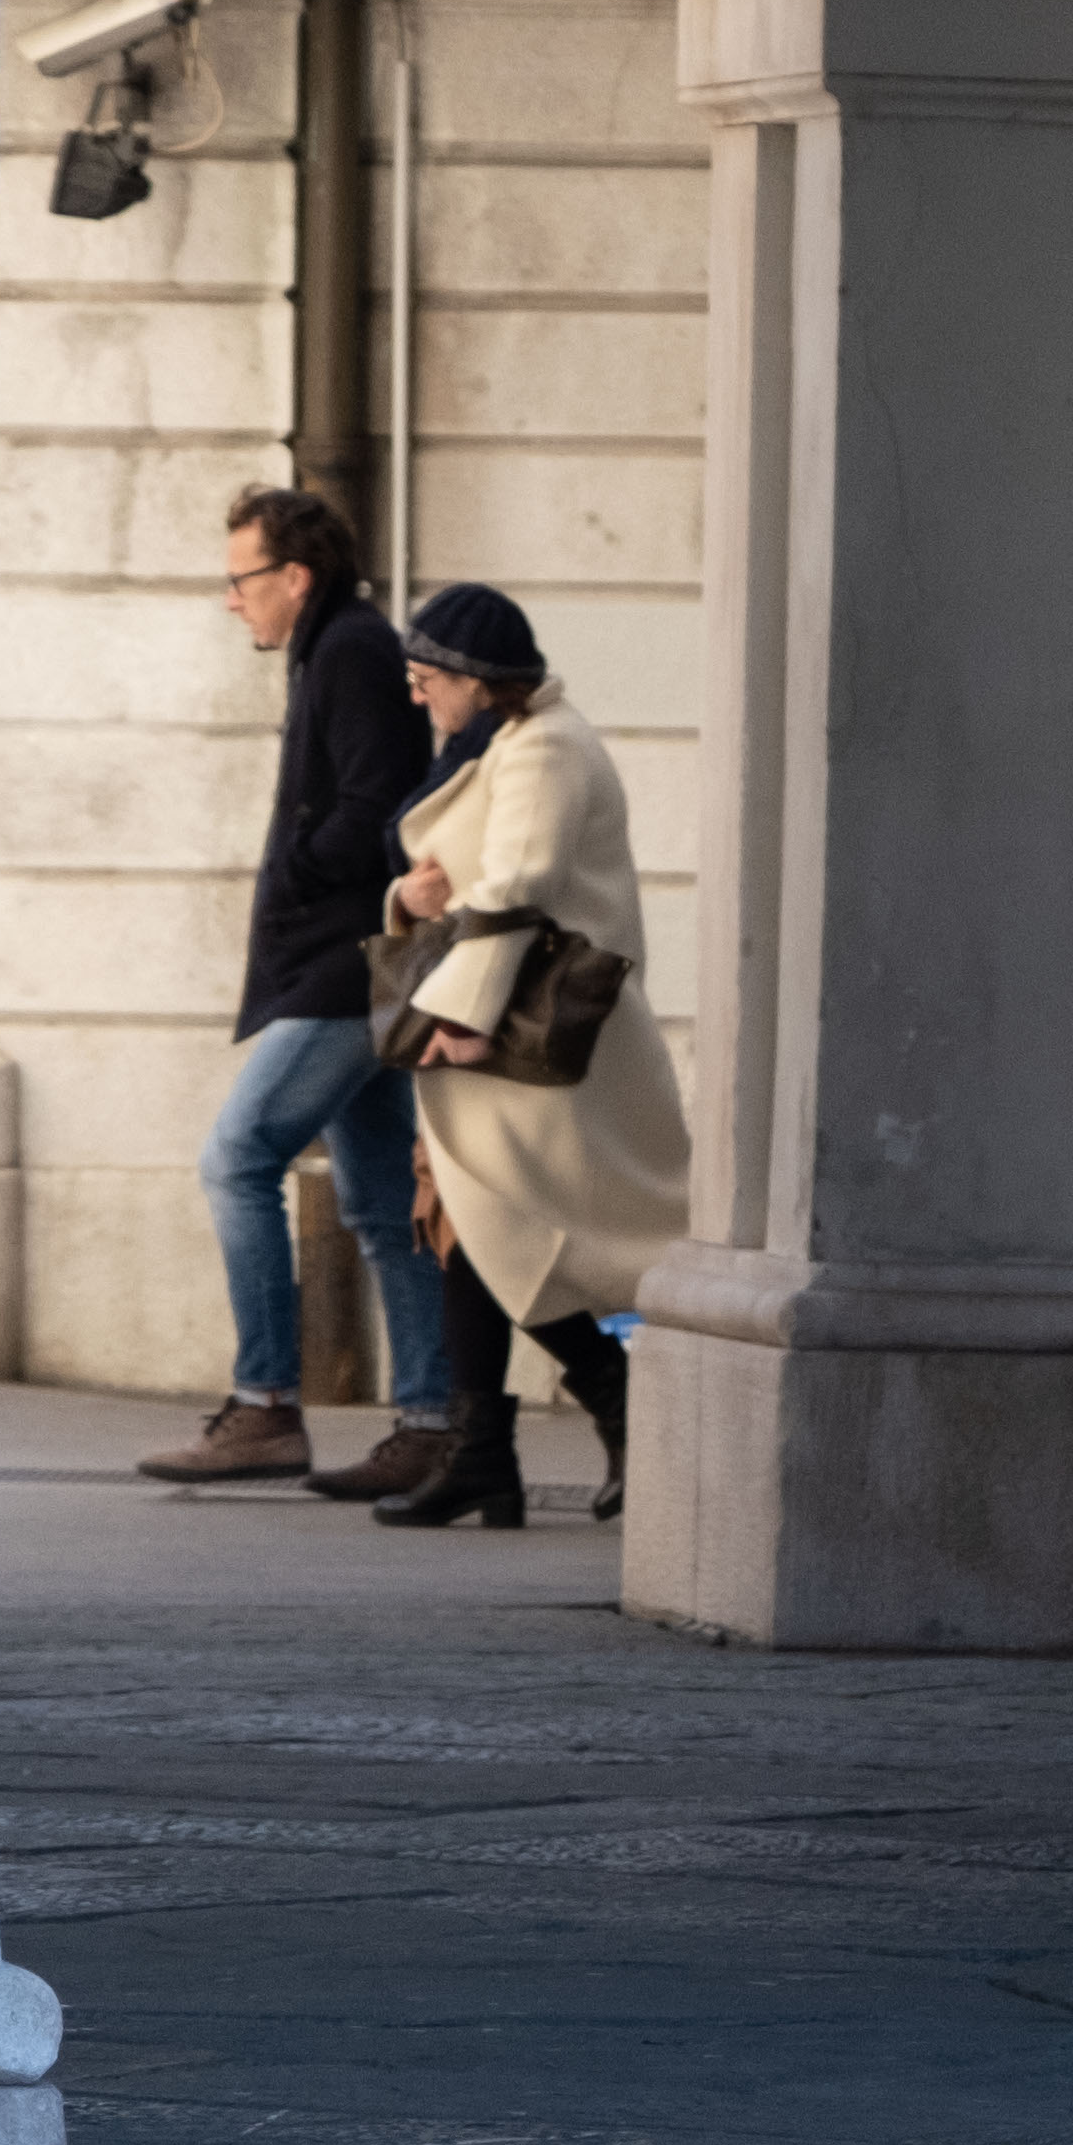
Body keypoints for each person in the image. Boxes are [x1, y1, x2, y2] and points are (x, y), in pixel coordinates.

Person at [140, 487, 458, 1497]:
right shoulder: (335, 649)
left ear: (295, 576)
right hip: (350, 958)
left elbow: (375, 806)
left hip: (344, 966)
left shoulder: (351, 650)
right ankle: (432, 1423)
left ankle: (266, 1405)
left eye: (241, 579)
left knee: (238, 1157)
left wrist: (301, 867)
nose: (231, 599)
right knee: (382, 1201)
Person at [366, 583, 692, 1531]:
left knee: (507, 1229)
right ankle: (487, 1456)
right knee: (473, 1224)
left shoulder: (545, 747)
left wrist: (464, 1012)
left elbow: (519, 885)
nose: (416, 694)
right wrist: (404, 901)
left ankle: (617, 1415)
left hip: (533, 1035)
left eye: (426, 677)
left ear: (475, 678)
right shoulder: (504, 742)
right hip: (502, 1029)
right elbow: (470, 882)